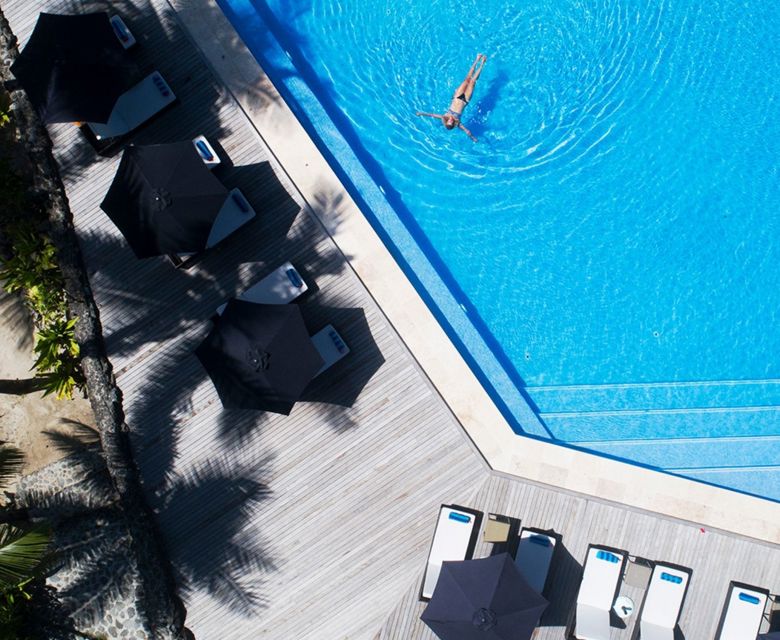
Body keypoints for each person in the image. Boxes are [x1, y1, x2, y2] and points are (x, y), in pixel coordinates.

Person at [416, 53, 487, 142]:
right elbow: (467, 131)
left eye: (449, 121)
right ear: (453, 124)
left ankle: (477, 59)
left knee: (467, 79)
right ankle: (482, 63)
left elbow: (431, 115)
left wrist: (421, 113)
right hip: (465, 100)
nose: (451, 119)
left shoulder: (444, 116)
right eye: (452, 122)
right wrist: (473, 138)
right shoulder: (458, 123)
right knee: (473, 82)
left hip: (457, 96)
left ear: (446, 122)